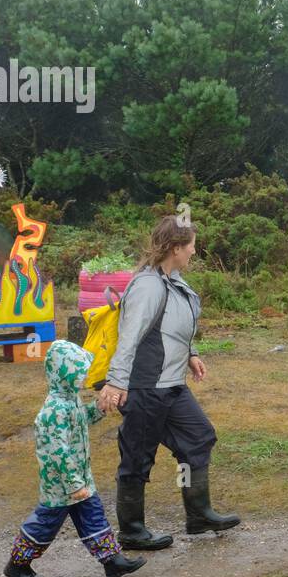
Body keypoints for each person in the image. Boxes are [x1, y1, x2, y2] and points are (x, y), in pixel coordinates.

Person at [97, 216, 240, 549]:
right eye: (190, 245)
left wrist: (190, 353)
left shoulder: (170, 280)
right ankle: (132, 532)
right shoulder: (148, 286)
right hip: (145, 386)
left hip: (171, 384)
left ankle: (199, 515)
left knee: (198, 437)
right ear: (176, 248)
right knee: (137, 456)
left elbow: (172, 325)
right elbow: (129, 336)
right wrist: (117, 382)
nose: (193, 251)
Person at [3, 340, 146, 577]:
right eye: (78, 373)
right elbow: (58, 451)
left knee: (94, 516)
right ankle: (17, 564)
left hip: (80, 479)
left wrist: (100, 409)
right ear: (63, 373)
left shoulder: (71, 400)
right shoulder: (54, 410)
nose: (83, 378)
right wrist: (73, 484)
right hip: (61, 486)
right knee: (44, 526)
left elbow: (82, 420)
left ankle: (112, 561)